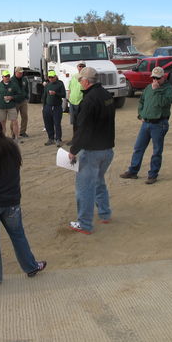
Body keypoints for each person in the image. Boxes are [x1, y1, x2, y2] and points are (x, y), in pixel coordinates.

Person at [0, 116, 46, 283]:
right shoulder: (12, 146)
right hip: (10, 201)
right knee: (18, 235)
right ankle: (31, 266)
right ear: (1, 129)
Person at [67, 67, 116, 235]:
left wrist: (73, 149)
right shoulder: (106, 95)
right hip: (107, 150)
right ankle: (105, 213)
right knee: (98, 181)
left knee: (84, 188)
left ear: (86, 81)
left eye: (81, 80)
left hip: (92, 151)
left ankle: (85, 224)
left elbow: (83, 129)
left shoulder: (88, 100)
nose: (79, 82)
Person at [120, 66, 172, 184]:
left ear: (163, 77)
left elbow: (164, 103)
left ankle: (153, 174)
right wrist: (141, 115)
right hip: (146, 123)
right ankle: (133, 171)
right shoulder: (148, 88)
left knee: (156, 151)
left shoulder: (168, 89)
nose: (155, 80)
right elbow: (142, 102)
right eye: (153, 78)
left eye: (157, 78)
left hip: (159, 124)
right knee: (138, 148)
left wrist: (157, 91)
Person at [0, 70, 23, 140]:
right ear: (2, 77)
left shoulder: (14, 85)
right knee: (2, 123)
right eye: (6, 76)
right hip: (1, 107)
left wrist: (12, 97)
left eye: (8, 76)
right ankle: (3, 138)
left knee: (15, 122)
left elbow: (20, 95)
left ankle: (16, 137)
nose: (7, 77)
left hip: (11, 106)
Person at [42, 70, 66, 147]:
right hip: (48, 107)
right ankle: (51, 138)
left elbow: (63, 95)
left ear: (55, 76)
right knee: (48, 123)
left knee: (57, 123)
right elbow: (44, 96)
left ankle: (58, 139)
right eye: (49, 77)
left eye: (52, 77)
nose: (51, 79)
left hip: (57, 107)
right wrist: (44, 107)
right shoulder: (47, 85)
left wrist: (55, 93)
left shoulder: (60, 84)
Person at [66, 61, 86, 144]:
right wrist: (69, 98)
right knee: (74, 123)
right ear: (77, 67)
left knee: (82, 122)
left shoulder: (86, 77)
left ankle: (81, 140)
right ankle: (75, 139)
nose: (81, 67)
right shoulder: (74, 77)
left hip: (81, 102)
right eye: (79, 66)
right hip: (72, 102)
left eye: (82, 66)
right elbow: (69, 88)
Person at [11, 67, 30, 138]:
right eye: (19, 72)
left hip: (23, 101)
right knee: (14, 118)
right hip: (14, 102)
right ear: (16, 72)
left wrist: (27, 96)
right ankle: (13, 133)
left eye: (22, 72)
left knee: (25, 116)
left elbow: (27, 88)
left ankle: (22, 132)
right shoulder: (11, 80)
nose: (21, 73)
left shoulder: (24, 79)